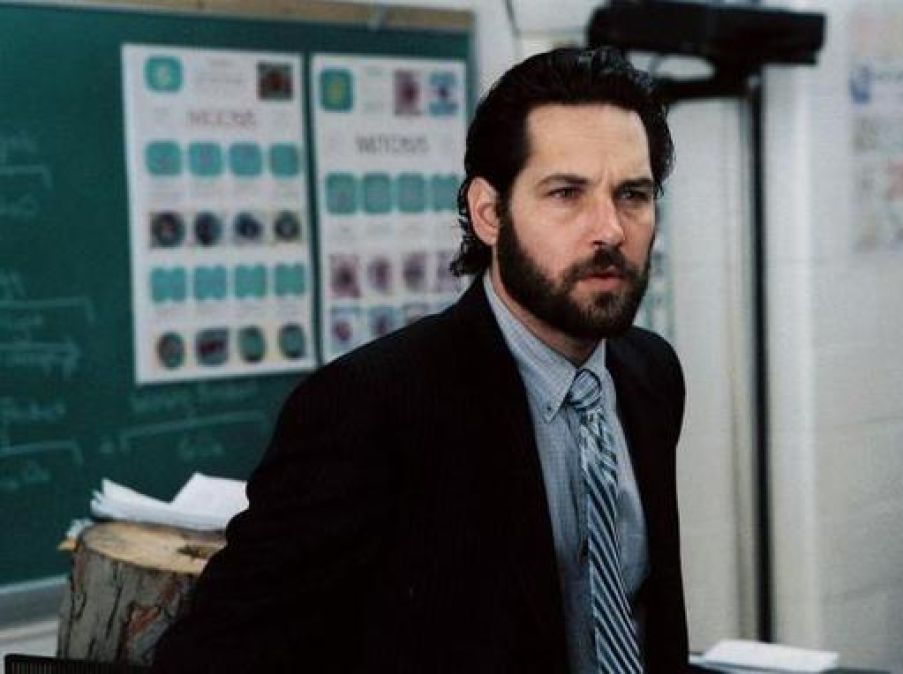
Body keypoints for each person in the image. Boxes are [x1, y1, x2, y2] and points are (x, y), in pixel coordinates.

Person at [153, 46, 690, 674]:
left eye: (632, 195)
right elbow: (216, 655)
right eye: (566, 193)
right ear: (489, 213)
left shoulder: (650, 375)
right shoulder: (370, 407)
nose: (611, 229)